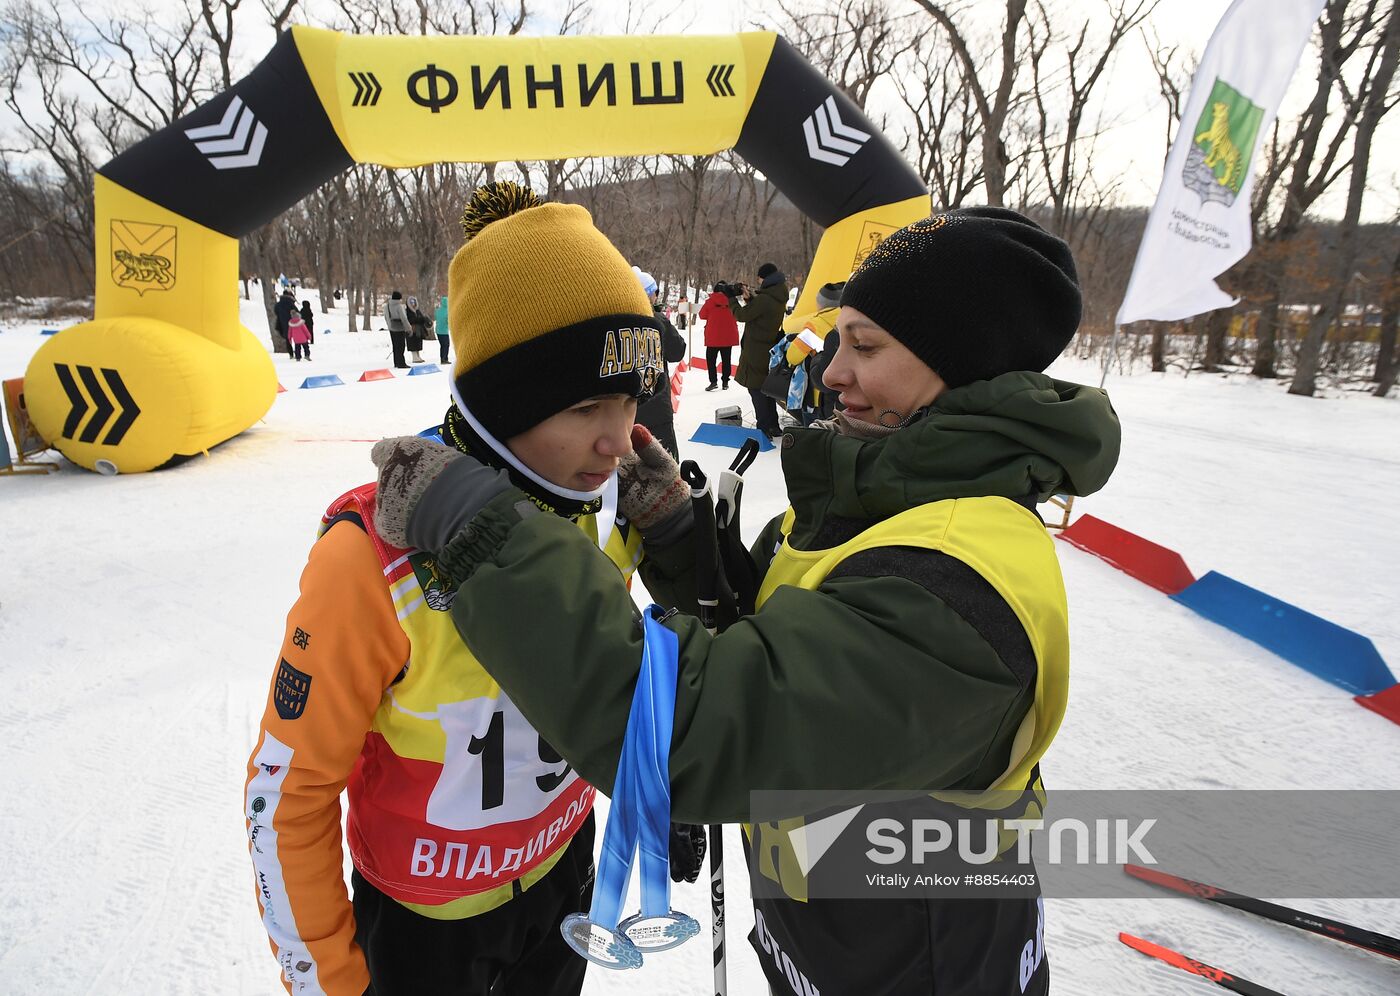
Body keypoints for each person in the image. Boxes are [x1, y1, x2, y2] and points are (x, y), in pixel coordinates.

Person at [368, 206, 1123, 996]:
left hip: (921, 959)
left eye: (866, 347)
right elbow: (776, 633)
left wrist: (481, 533)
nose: (832, 372)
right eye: (840, 340)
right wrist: (676, 535)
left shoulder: (960, 589)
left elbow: (692, 731)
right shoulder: (888, 489)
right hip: (833, 931)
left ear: (963, 366)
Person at [244, 182, 674, 996]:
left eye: (629, 400)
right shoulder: (370, 559)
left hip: (561, 875)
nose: (619, 442)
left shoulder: (609, 514)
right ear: (500, 405)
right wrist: (333, 980)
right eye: (587, 406)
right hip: (423, 921)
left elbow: (648, 671)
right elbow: (286, 799)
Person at [630, 267, 687, 459]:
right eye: (654, 293)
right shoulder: (658, 321)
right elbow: (677, 351)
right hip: (657, 406)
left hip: (625, 410)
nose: (657, 297)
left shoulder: (617, 321)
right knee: (666, 464)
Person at [730, 261, 789, 438]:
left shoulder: (765, 299)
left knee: (756, 389)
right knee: (766, 389)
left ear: (765, 278)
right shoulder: (777, 295)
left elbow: (742, 315)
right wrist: (749, 298)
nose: (759, 281)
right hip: (768, 348)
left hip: (756, 350)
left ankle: (763, 429)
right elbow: (761, 312)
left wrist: (730, 298)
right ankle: (773, 426)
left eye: (760, 278)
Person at [698, 281, 739, 392]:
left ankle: (713, 381)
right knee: (726, 360)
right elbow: (738, 315)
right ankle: (725, 382)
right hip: (728, 337)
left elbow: (702, 315)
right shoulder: (732, 302)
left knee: (711, 360)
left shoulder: (710, 302)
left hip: (713, 336)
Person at [384, 290, 410, 368]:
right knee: (401, 346)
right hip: (400, 328)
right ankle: (401, 363)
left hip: (392, 328)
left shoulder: (387, 305)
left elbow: (386, 317)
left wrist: (389, 326)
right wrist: (408, 327)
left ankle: (396, 362)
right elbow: (404, 318)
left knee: (395, 346)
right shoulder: (399, 306)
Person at [406, 296, 432, 364]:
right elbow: (410, 320)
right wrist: (420, 319)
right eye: (411, 302)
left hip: (419, 330)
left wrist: (425, 319)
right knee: (412, 343)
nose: (413, 303)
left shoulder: (417, 310)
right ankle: (414, 357)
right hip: (411, 329)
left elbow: (421, 317)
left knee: (418, 343)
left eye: (414, 302)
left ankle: (418, 356)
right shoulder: (407, 311)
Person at [273, 287, 297, 354]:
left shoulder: (278, 304)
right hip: (293, 323)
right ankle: (297, 352)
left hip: (282, 323)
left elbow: (275, 311)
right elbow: (297, 312)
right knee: (296, 337)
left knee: (287, 338)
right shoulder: (291, 303)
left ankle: (291, 353)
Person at [435, 294, 451, 365]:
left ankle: (442, 358)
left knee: (442, 345)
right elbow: (448, 321)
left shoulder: (438, 310)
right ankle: (445, 359)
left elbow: (436, 318)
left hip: (438, 331)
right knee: (446, 345)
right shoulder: (448, 311)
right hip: (444, 331)